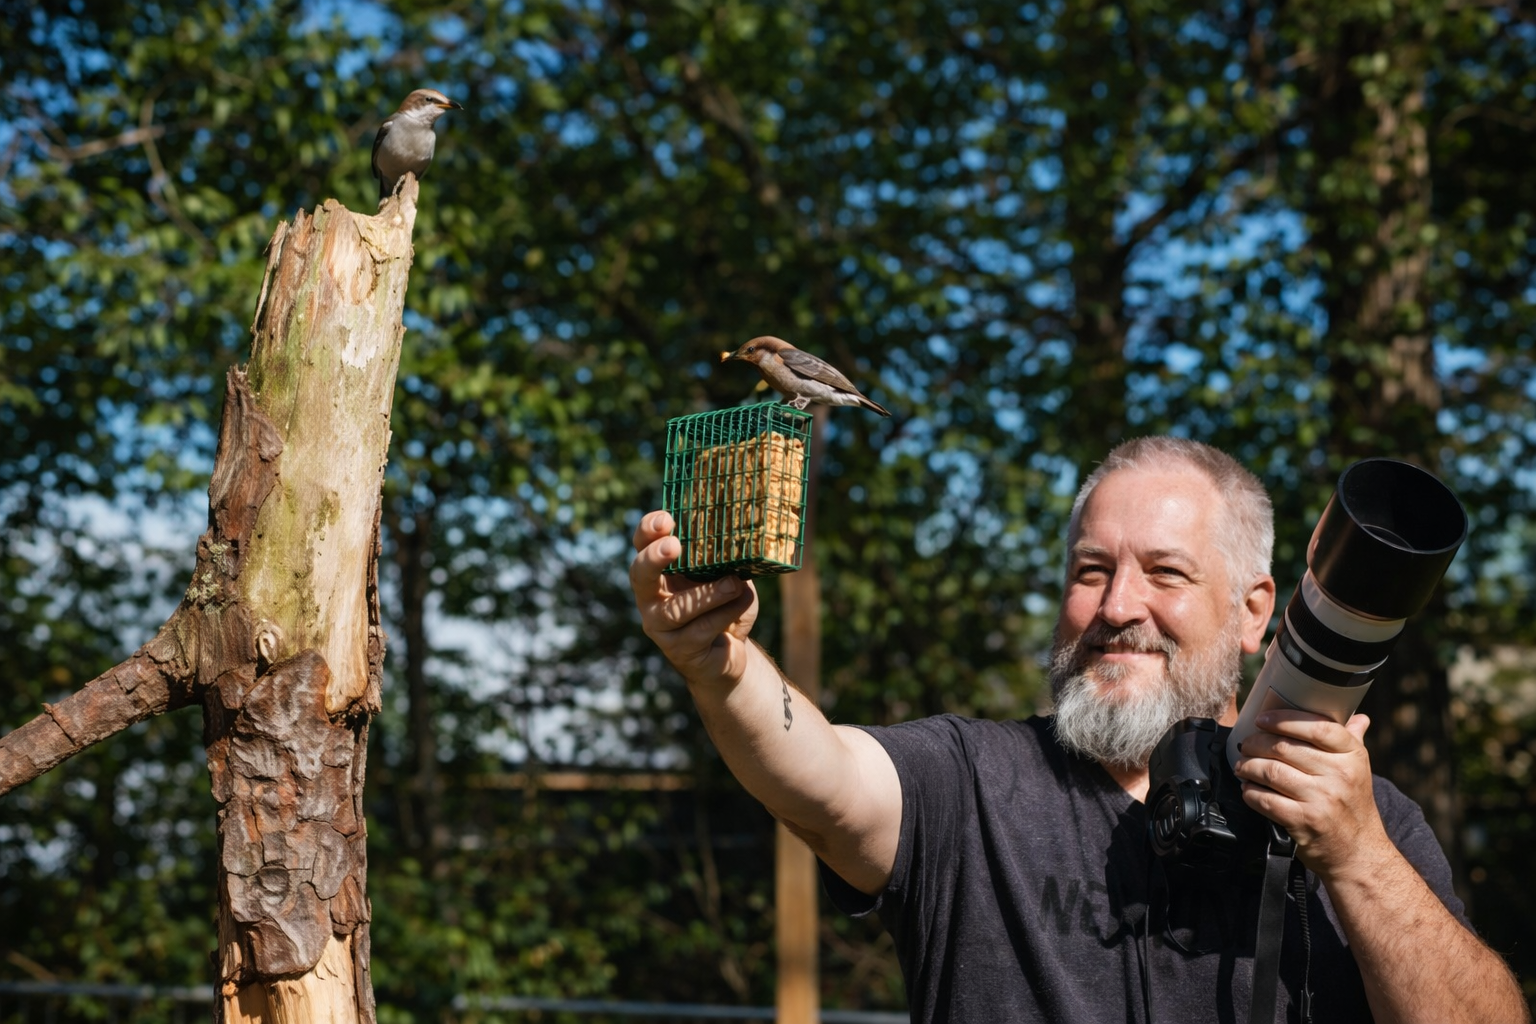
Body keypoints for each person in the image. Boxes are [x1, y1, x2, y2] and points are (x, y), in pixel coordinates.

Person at [629, 436, 1527, 1023]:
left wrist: (1358, 855)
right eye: (1090, 570)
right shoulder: (972, 784)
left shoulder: (1366, 822)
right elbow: (816, 774)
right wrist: (721, 664)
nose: (1117, 606)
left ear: (1257, 611)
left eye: (1166, 573)